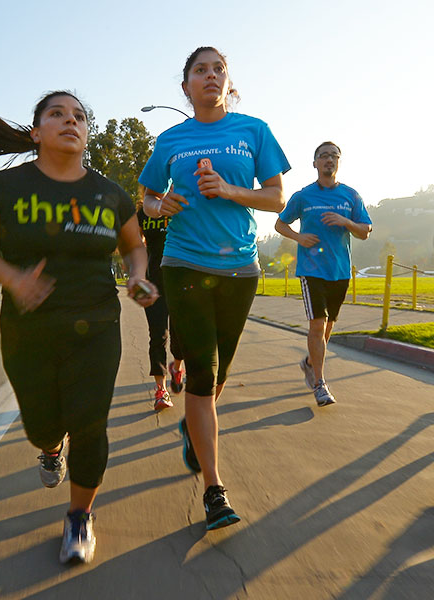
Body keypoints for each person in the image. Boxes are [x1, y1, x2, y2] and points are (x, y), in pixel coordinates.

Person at [0, 91, 157, 564]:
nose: (70, 121)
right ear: (37, 132)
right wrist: (14, 279)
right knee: (42, 425)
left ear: (86, 132)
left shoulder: (108, 192)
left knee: (90, 425)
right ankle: (50, 447)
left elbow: (135, 245)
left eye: (79, 116)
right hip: (27, 327)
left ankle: (79, 516)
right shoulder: (4, 187)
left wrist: (137, 275)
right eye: (57, 114)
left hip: (96, 324)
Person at [139, 47, 291, 530]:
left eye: (218, 69)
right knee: (202, 377)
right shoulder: (171, 139)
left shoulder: (254, 131)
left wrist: (227, 189)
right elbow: (145, 198)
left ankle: (194, 426)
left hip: (240, 269)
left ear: (229, 83)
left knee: (219, 373)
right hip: (183, 265)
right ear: (185, 87)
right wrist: (161, 206)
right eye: (199, 70)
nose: (209, 76)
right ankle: (214, 489)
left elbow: (276, 198)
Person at [274, 142, 372, 407]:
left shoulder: (351, 196)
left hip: (339, 270)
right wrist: (299, 237)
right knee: (317, 325)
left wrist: (347, 222)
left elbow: (365, 230)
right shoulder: (303, 196)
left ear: (338, 162)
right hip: (311, 269)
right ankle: (320, 383)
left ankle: (309, 362)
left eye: (334, 156)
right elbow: (280, 223)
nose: (329, 160)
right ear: (314, 163)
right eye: (324, 156)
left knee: (327, 329)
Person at [136, 194, 184, 411]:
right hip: (152, 283)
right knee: (158, 335)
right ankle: (160, 390)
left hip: (181, 282)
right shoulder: (142, 213)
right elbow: (137, 245)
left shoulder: (181, 206)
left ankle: (177, 366)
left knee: (180, 335)